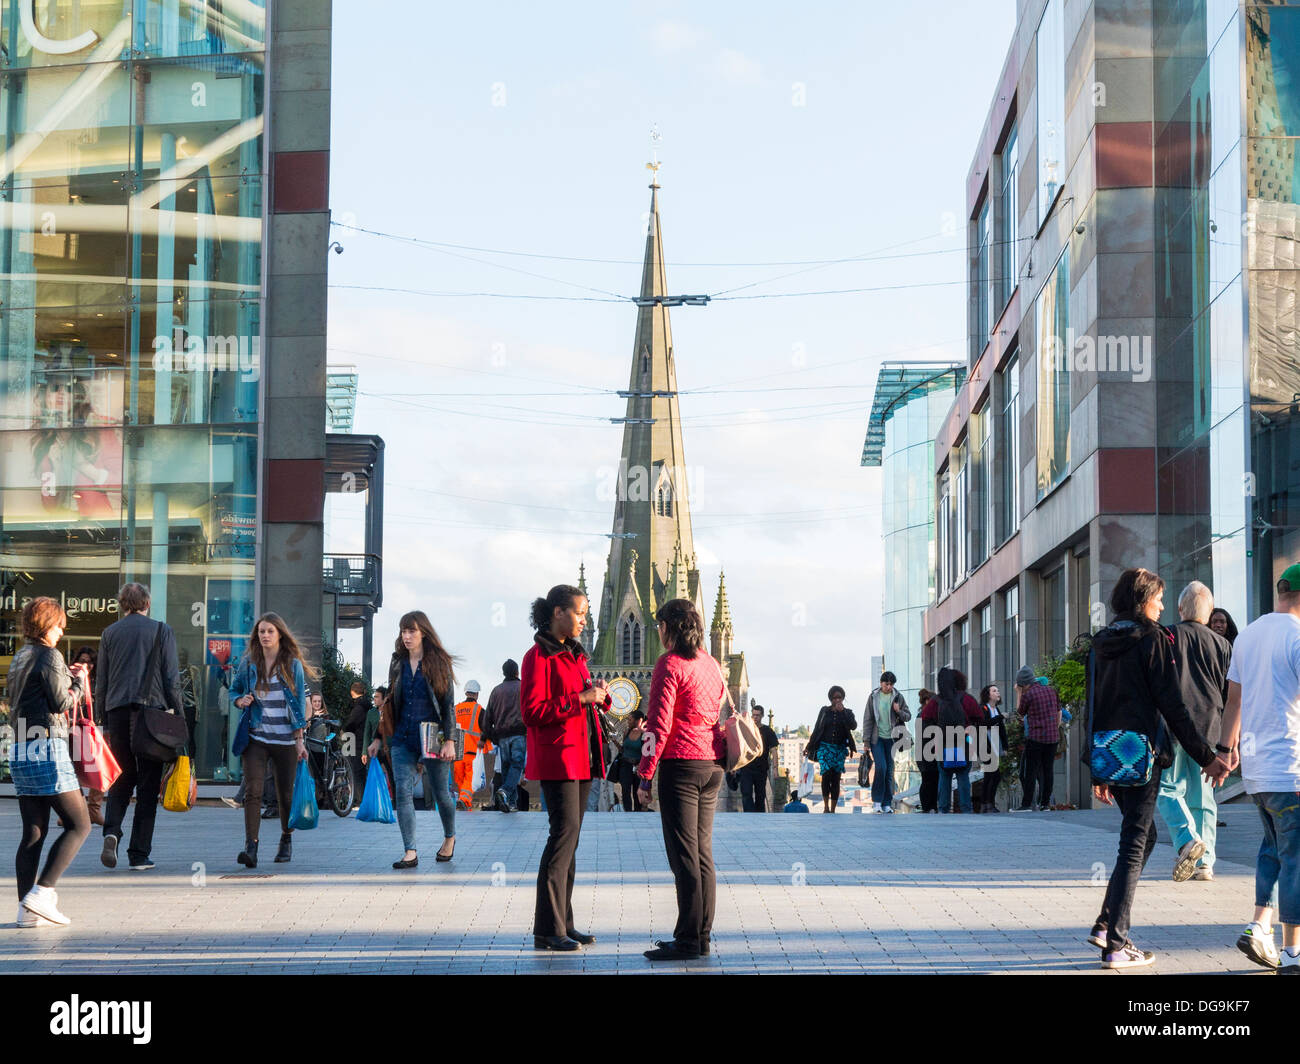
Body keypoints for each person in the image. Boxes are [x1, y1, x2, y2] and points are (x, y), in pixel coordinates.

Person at [1086, 568, 1229, 969]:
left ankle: (1104, 924)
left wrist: (1097, 770)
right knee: (1135, 842)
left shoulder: (1100, 643)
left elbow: (1092, 708)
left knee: (1143, 837)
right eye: (1159, 598)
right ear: (1142, 599)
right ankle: (1117, 943)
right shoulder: (1154, 640)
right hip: (1145, 755)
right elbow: (1173, 706)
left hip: (1112, 754)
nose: (1163, 606)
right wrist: (1207, 755)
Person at [1217, 563, 1300, 974]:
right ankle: (1293, 951)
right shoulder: (1298, 638)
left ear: (1281, 593)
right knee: (1296, 856)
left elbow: (1233, 701)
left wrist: (1224, 750)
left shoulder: (1247, 635)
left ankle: (1258, 926)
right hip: (1292, 767)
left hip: (1256, 769)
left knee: (1272, 850)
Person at [636, 598, 727, 961]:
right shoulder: (711, 664)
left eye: (660, 625)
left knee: (683, 856)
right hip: (712, 766)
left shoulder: (669, 664)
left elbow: (659, 725)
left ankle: (688, 940)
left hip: (682, 766)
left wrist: (645, 775)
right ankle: (701, 935)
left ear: (671, 627)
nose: (657, 630)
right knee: (703, 854)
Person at [521, 584, 609, 951]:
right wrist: (580, 698)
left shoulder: (575, 655)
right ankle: (547, 928)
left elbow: (579, 702)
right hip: (558, 758)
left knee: (570, 843)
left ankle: (564, 923)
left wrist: (596, 698)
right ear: (558, 612)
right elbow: (532, 712)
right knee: (562, 839)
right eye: (580, 613)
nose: (583, 620)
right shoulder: (536, 657)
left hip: (583, 756)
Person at [6, 597, 91, 927]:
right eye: (59, 625)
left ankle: (26, 911)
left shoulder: (20, 657)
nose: (62, 631)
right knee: (79, 824)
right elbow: (61, 702)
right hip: (46, 747)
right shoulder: (49, 654)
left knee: (34, 831)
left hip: (21, 746)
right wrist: (80, 682)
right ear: (46, 624)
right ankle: (42, 893)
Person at [97, 582, 183, 872]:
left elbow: (102, 683)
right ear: (147, 603)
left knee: (122, 777)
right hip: (152, 715)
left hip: (118, 712)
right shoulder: (162, 630)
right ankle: (139, 854)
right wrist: (179, 716)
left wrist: (103, 720)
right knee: (148, 785)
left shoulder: (110, 633)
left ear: (123, 605)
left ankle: (111, 830)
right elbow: (172, 678)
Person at [369, 612, 458, 868]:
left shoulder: (438, 662)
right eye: (403, 631)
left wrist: (450, 739)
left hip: (433, 737)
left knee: (441, 794)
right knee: (403, 793)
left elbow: (447, 704)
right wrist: (378, 737)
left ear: (423, 633)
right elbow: (388, 704)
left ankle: (449, 838)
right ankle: (410, 851)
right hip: (403, 736)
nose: (406, 636)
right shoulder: (397, 662)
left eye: (412, 631)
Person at [1156, 581, 1231, 882]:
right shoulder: (1223, 644)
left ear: (1179, 609)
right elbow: (1229, 693)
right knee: (1205, 798)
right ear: (1209, 612)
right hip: (1211, 728)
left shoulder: (1167, 636)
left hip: (1175, 726)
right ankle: (1205, 863)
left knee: (1167, 789)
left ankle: (1188, 838)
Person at [229, 613, 316, 868]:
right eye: (261, 631)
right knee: (253, 792)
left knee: (285, 795)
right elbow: (235, 690)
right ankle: (251, 847)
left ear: (279, 634)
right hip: (256, 736)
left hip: (285, 739)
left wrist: (299, 740)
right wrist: (240, 700)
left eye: (270, 631)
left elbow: (299, 703)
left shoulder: (292, 665)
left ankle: (286, 839)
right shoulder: (248, 663)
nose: (265, 635)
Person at [921, 668, 983, 813]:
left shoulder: (936, 700)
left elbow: (924, 718)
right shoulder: (967, 699)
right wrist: (971, 728)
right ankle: (966, 809)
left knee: (944, 777)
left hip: (943, 743)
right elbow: (980, 718)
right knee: (963, 777)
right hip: (964, 743)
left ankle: (943, 809)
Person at [863, 671, 911, 814]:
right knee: (881, 768)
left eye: (891, 684)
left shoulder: (898, 697)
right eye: (886, 684)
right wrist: (866, 741)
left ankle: (887, 803)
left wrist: (898, 711)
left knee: (889, 771)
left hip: (892, 739)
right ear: (881, 683)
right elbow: (868, 719)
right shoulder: (873, 697)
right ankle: (877, 801)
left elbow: (908, 716)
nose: (889, 687)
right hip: (876, 739)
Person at [1014, 666, 1061, 811]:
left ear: (1024, 683)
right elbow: (1059, 711)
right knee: (1048, 770)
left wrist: (1019, 693)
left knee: (1031, 771)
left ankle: (1026, 804)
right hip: (1053, 737)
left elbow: (1020, 712)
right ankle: (1045, 803)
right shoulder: (1051, 690)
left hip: (1035, 738)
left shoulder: (1028, 694)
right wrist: (1055, 727)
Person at [805, 686, 857, 813]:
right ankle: (826, 807)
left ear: (843, 698)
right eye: (835, 698)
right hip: (824, 747)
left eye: (839, 697)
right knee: (826, 775)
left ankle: (833, 808)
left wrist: (843, 711)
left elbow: (853, 726)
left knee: (835, 778)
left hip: (839, 749)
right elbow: (817, 728)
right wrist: (809, 746)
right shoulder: (824, 711)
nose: (837, 700)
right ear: (830, 699)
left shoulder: (848, 712)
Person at [482, 660, 524, 812]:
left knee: (506, 767)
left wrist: (488, 736)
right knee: (517, 764)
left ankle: (510, 802)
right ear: (517, 672)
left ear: (504, 673)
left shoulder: (496, 691)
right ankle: (505, 792)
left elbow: (488, 717)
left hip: (502, 736)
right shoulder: (523, 688)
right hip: (519, 733)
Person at [71, 645, 104, 827]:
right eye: (83, 661)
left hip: (98, 726)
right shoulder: (71, 677)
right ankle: (76, 811)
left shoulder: (100, 680)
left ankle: (93, 809)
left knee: (98, 768)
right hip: (77, 727)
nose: (87, 665)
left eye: (91, 662)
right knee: (76, 769)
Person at [452, 680, 488, 809]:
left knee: (461, 781)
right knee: (470, 781)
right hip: (472, 752)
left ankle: (465, 804)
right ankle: (464, 799)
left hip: (456, 752)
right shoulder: (479, 710)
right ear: (477, 694)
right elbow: (486, 729)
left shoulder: (455, 709)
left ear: (466, 692)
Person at [737, 704, 779, 812]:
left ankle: (759, 817)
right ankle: (749, 816)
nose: (755, 717)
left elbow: (774, 750)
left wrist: (775, 769)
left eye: (758, 715)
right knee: (746, 793)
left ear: (762, 716)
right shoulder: (746, 729)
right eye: (754, 715)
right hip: (746, 767)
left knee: (760, 795)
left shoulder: (768, 731)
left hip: (761, 768)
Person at [977, 684, 1007, 813]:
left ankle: (986, 803)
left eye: (998, 690)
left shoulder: (997, 710)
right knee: (994, 775)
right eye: (994, 691)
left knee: (990, 775)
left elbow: (1002, 730)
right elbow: (983, 724)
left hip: (996, 746)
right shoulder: (983, 708)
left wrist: (1005, 746)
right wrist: (1000, 717)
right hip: (986, 746)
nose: (997, 692)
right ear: (988, 695)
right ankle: (988, 803)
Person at [361, 685, 394, 799]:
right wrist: (364, 752)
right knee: (372, 775)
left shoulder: (391, 712)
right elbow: (367, 732)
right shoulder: (371, 713)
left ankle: (394, 801)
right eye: (374, 697)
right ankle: (372, 799)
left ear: (384, 698)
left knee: (392, 775)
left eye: (377, 697)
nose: (374, 699)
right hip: (374, 750)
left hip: (389, 748)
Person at [342, 680, 369, 808]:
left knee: (356, 772)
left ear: (352, 692)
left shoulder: (358, 707)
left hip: (355, 742)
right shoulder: (367, 705)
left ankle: (360, 800)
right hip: (363, 741)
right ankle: (361, 799)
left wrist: (344, 729)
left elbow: (351, 724)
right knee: (361, 773)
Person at [617, 710, 648, 811]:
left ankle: (638, 813)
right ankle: (627, 812)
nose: (628, 722)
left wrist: (642, 764)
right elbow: (623, 749)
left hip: (638, 766)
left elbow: (647, 752)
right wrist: (615, 742)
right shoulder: (627, 732)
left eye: (630, 720)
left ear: (638, 720)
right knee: (625, 790)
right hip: (626, 765)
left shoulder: (645, 734)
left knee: (636, 791)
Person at [914, 687, 938, 813]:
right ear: (928, 701)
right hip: (925, 753)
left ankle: (932, 806)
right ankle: (927, 806)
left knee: (934, 779)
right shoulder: (923, 715)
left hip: (931, 752)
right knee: (928, 780)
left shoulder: (927, 715)